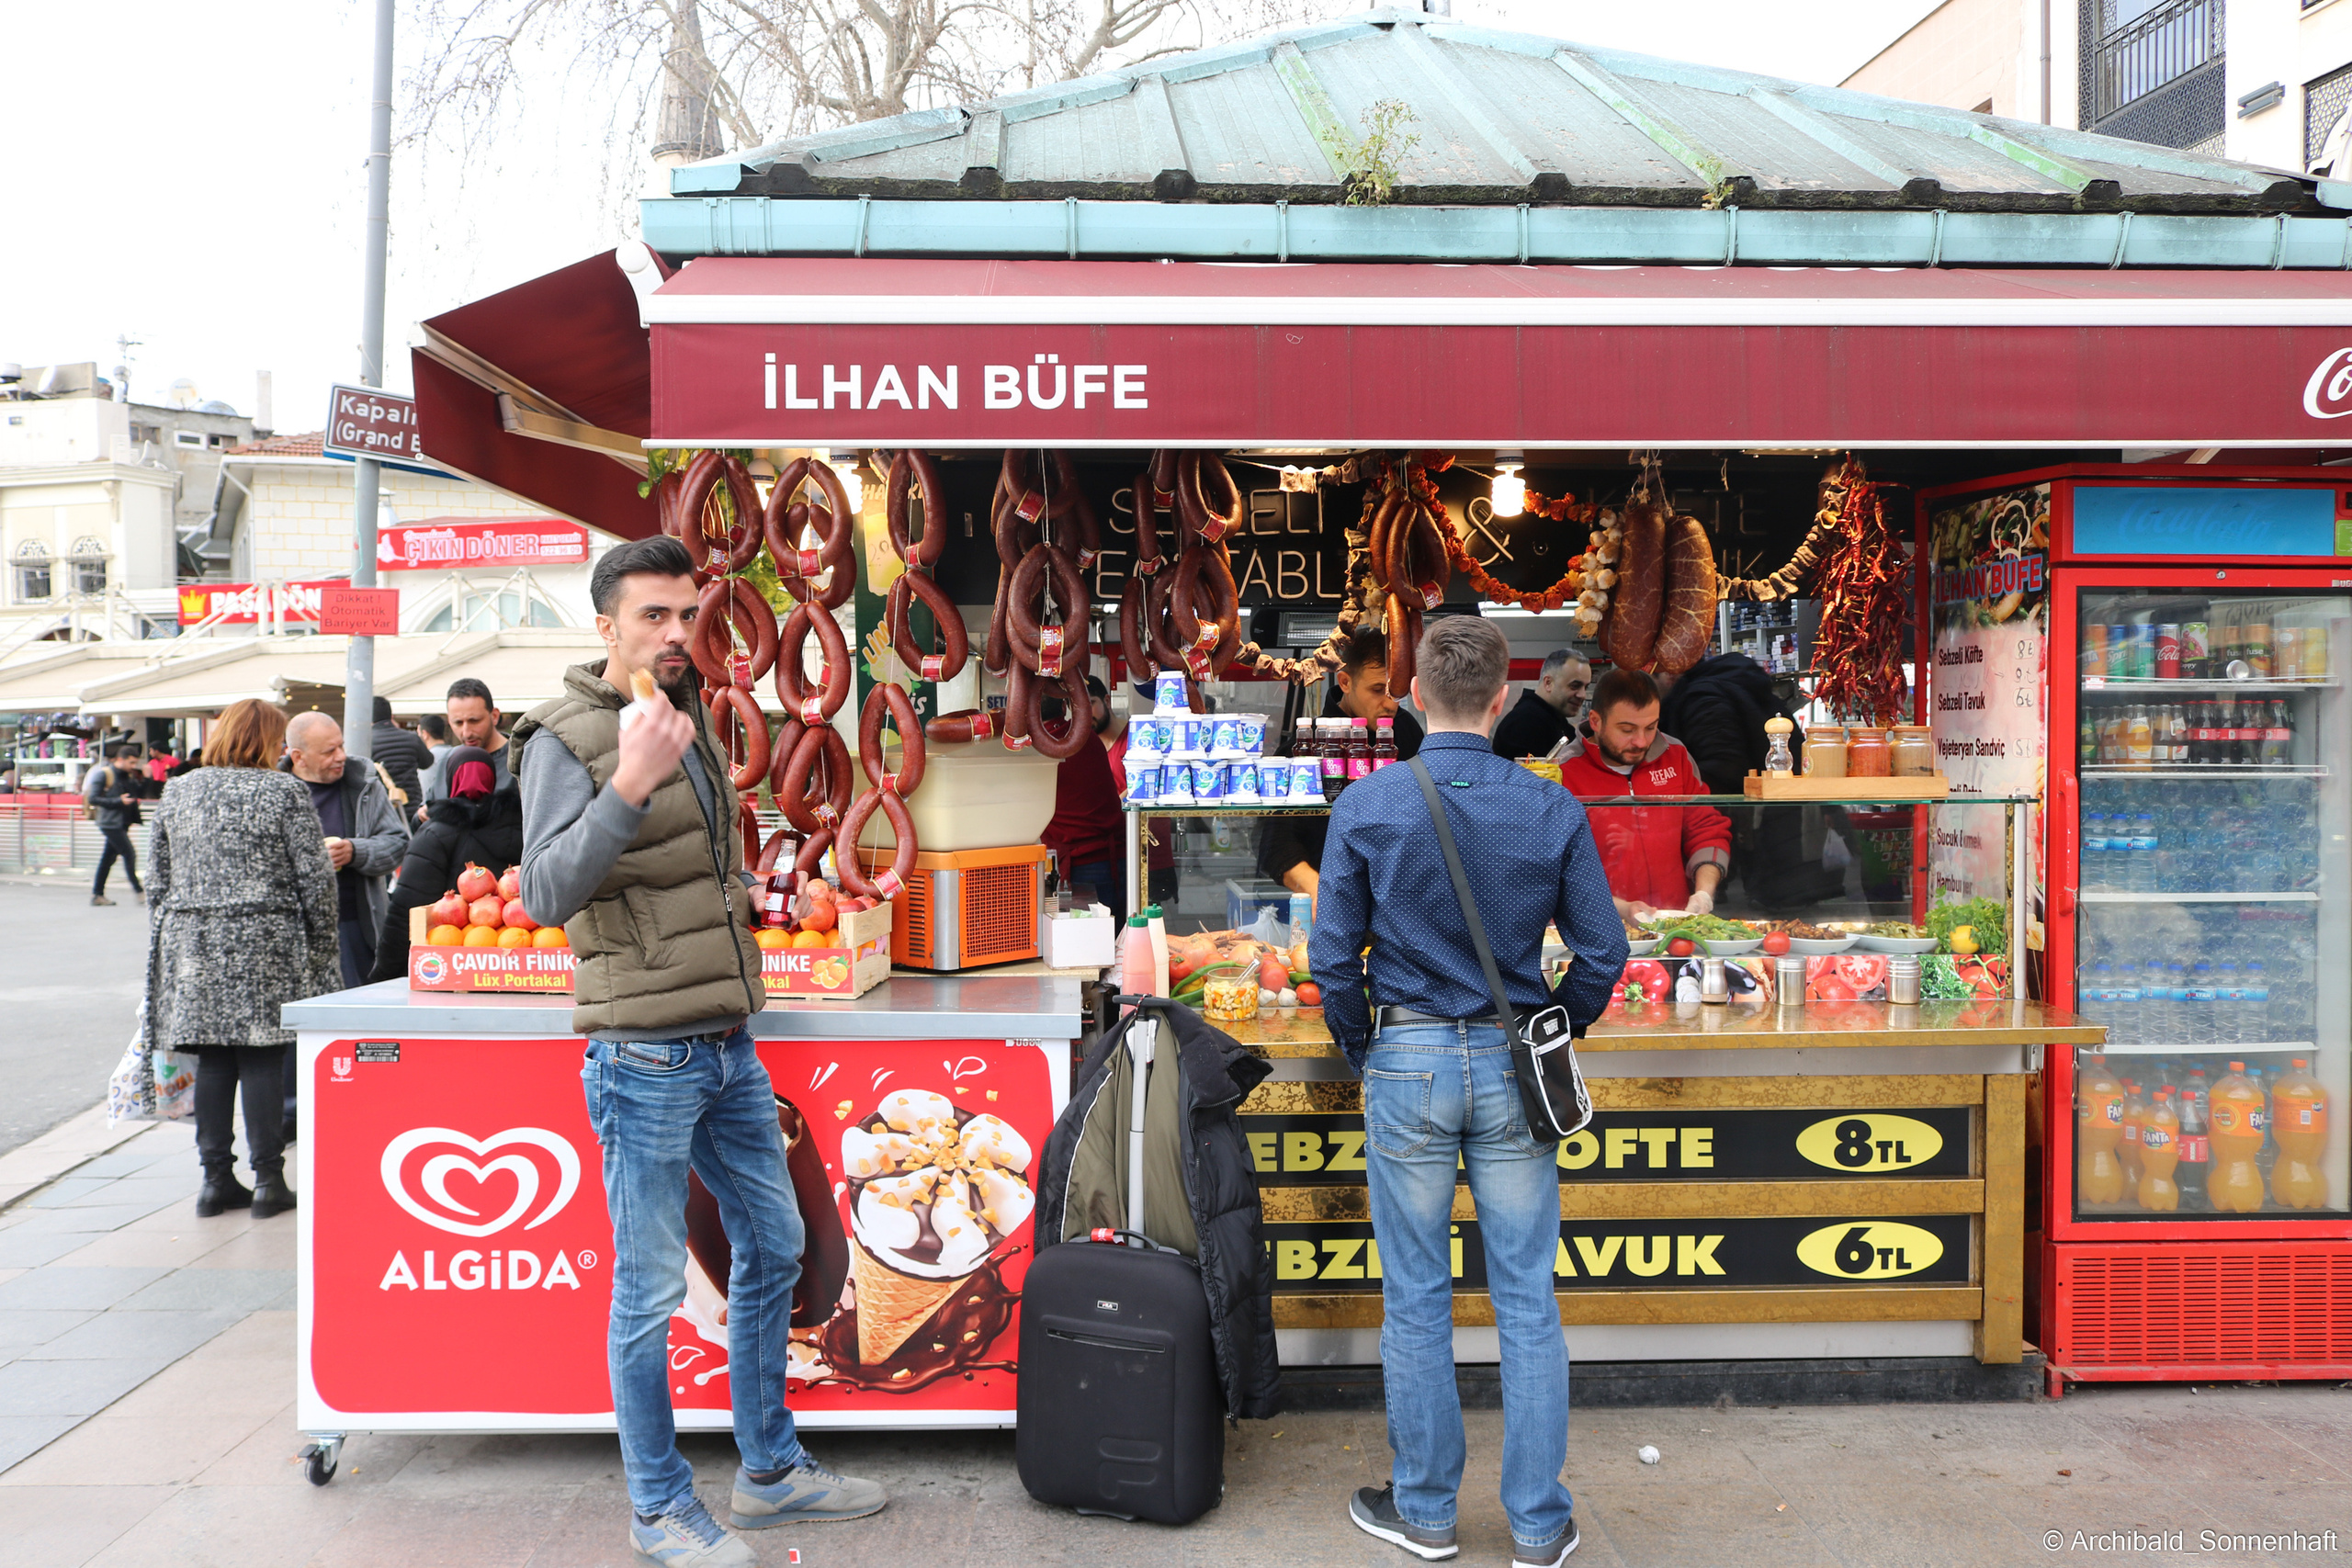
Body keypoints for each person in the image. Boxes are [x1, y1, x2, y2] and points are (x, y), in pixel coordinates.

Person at [515, 535, 884, 1565]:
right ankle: (659, 1510)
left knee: (776, 1247)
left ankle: (768, 1471)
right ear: (605, 626)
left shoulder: (691, 717)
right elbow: (543, 893)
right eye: (651, 616)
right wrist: (629, 781)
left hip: (725, 1042)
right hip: (642, 1056)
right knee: (648, 1292)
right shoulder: (563, 736)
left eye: (685, 613)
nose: (675, 633)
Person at [1309, 616, 1626, 1568]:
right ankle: (1536, 1525)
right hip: (1509, 1061)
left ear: (1410, 696)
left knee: (1416, 1298)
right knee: (1527, 1298)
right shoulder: (1549, 807)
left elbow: (1332, 960)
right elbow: (1604, 953)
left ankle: (1426, 1515)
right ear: (1500, 701)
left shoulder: (1366, 807)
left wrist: (1369, 1050)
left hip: (1405, 1057)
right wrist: (1552, 1027)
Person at [143, 698, 340, 1219]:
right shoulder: (283, 791)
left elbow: (156, 880)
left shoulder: (178, 789)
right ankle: (269, 1181)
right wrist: (321, 947)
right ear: (270, 741)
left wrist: (172, 941)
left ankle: (214, 1181)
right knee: (261, 1058)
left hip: (193, 943)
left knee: (212, 1058)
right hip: (266, 939)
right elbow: (315, 880)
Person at [1657, 652, 1844, 911]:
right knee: (1788, 915)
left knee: (1772, 919)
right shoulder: (1738, 684)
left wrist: (1688, 806)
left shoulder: (1702, 696)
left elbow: (1721, 769)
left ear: (1669, 675)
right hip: (1785, 823)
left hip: (1765, 831)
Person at [1259, 626, 1424, 904]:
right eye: (1378, 690)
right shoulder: (1305, 748)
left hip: (1402, 904)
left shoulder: (1407, 732)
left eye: (1397, 691)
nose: (1391, 704)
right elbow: (1276, 846)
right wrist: (1320, 893)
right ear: (1345, 682)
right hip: (1330, 903)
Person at [1556, 668, 1733, 921]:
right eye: (1627, 730)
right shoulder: (1563, 772)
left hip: (1673, 922)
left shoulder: (1676, 755)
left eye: (1650, 727)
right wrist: (1619, 908)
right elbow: (1556, 868)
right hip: (1596, 925)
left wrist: (1704, 892)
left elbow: (1707, 829)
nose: (1641, 741)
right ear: (1595, 721)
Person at [367, 745, 524, 983]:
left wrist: (384, 973)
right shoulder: (523, 828)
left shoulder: (435, 833)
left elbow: (407, 907)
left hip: (449, 966)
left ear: (449, 778)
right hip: (517, 961)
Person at [280, 712, 411, 990]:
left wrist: (355, 851)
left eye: (341, 746)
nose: (340, 756)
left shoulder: (364, 784)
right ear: (298, 756)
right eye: (329, 751)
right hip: (293, 933)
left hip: (356, 929)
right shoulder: (275, 792)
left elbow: (398, 842)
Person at [1040, 675, 1127, 914]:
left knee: (1081, 946)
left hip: (1079, 868)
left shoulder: (1030, 750)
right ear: (1065, 705)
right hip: (1110, 862)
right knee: (1113, 943)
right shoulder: (1085, 738)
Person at [420, 678, 512, 808]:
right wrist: (422, 816)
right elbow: (425, 810)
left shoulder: (522, 761)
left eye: (474, 721)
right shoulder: (447, 761)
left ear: (494, 716)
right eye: (458, 722)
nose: (466, 732)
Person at [1490, 649, 1589, 761]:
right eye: (1575, 686)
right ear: (1548, 683)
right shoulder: (1526, 722)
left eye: (1586, 687)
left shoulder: (1553, 719)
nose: (1583, 695)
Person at [85, 741, 145, 906]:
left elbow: (137, 794)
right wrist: (118, 801)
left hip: (121, 823)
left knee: (107, 859)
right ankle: (139, 891)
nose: (133, 766)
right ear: (121, 759)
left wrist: (146, 779)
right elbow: (93, 798)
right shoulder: (105, 774)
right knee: (129, 853)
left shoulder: (128, 776)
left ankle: (97, 894)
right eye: (131, 762)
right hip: (110, 823)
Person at [370, 694, 433, 812]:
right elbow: (427, 762)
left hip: (384, 807)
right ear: (391, 716)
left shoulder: (367, 742)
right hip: (412, 804)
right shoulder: (412, 738)